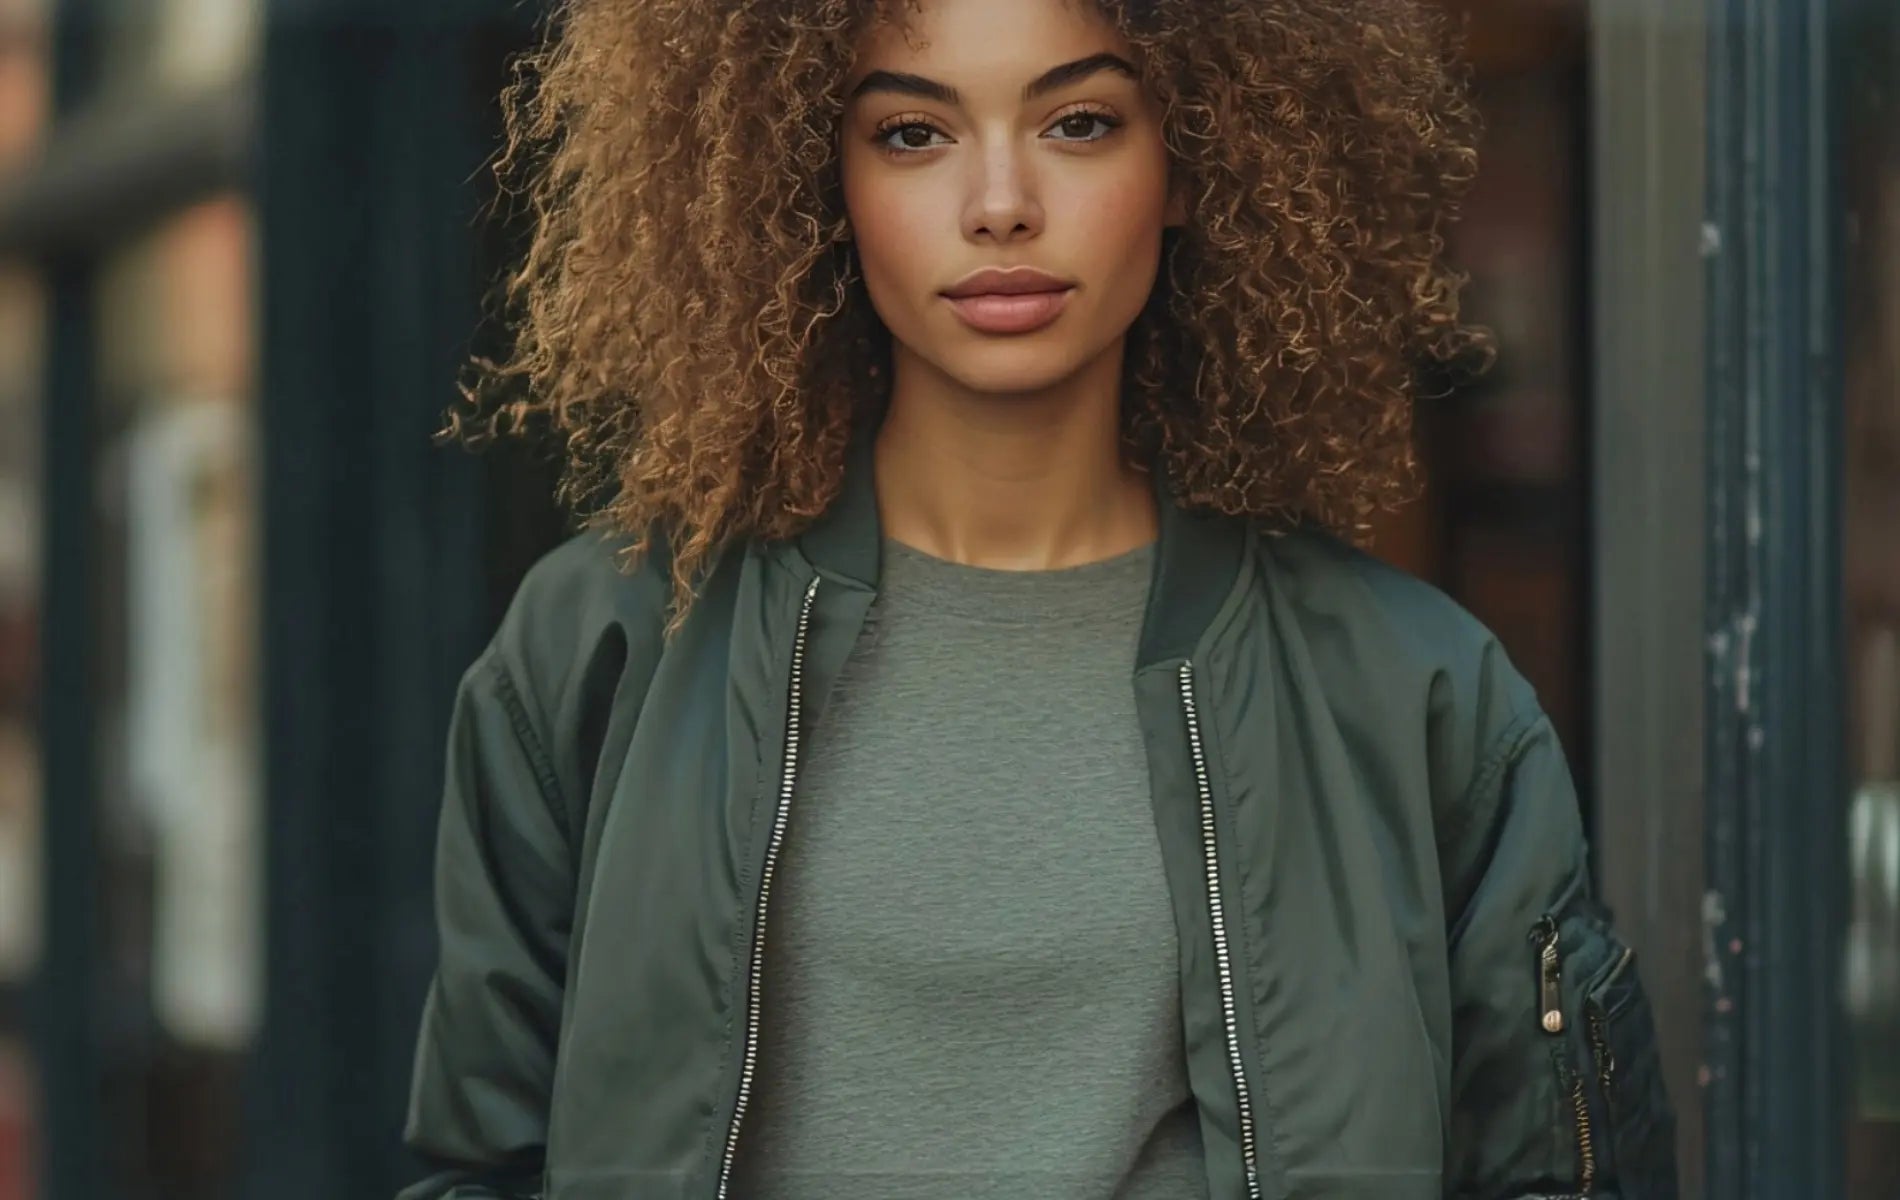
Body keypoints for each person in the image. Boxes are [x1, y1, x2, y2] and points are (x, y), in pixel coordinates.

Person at [398, 0, 1679, 1197]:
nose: (1000, 204)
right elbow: (480, 1160)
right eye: (911, 133)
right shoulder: (601, 649)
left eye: (1079, 123)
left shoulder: (1417, 695)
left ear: (1192, 158)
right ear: (814, 183)